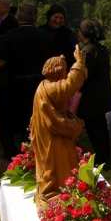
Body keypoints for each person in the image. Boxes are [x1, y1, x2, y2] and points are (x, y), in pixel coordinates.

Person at [0, 3, 54, 160]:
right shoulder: (45, 36)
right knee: (35, 116)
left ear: (18, 16)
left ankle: (9, 149)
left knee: (7, 117)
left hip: (13, 83)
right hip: (37, 82)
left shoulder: (10, 36)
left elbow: (0, 62)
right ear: (35, 18)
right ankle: (35, 147)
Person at [30, 50, 87, 210]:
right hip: (52, 136)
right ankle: (56, 193)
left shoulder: (45, 85)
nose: (65, 72)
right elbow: (71, 85)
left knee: (59, 162)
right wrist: (79, 64)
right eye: (64, 69)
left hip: (52, 134)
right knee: (56, 163)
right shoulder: (51, 89)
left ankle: (61, 189)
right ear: (57, 70)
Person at [76, 20, 111, 170]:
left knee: (95, 131)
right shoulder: (101, 49)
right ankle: (105, 157)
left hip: (91, 98)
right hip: (101, 96)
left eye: (79, 30)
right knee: (101, 129)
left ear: (84, 32)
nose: (77, 33)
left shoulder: (88, 51)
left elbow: (82, 76)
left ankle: (103, 161)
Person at [39, 4, 78, 70]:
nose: (58, 21)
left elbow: (76, 51)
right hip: (41, 71)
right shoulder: (40, 31)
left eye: (61, 18)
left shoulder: (68, 33)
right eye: (56, 17)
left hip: (63, 71)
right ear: (49, 17)